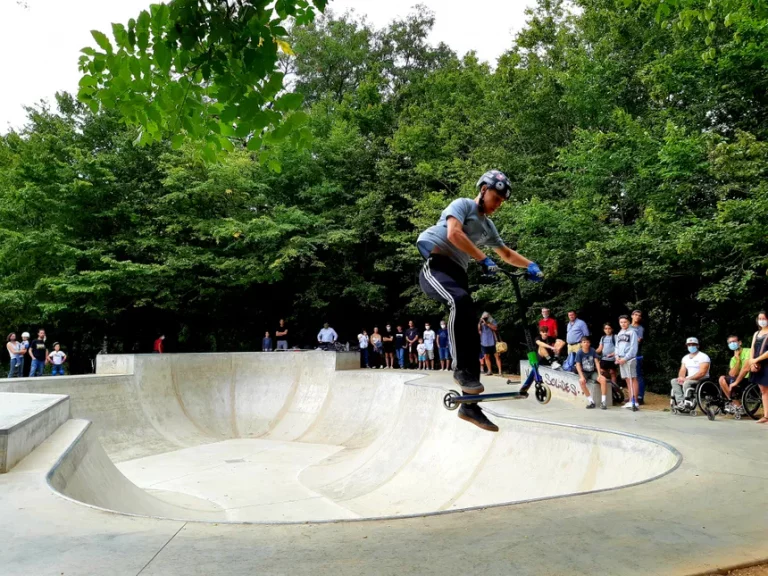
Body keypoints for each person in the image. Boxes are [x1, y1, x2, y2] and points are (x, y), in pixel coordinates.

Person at [416, 169, 542, 432]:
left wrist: (530, 265)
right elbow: (453, 234)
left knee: (469, 321)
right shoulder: (462, 205)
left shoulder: (488, 227)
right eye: (496, 198)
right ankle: (460, 367)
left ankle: (470, 403)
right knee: (460, 301)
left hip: (457, 274)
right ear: (484, 190)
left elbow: (505, 253)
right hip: (436, 266)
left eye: (501, 202)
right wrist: (483, 259)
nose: (497, 205)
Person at [670, 337, 710, 411]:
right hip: (689, 378)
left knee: (687, 383)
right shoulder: (685, 358)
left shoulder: (703, 357)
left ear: (698, 345)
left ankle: (687, 403)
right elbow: (682, 370)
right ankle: (680, 403)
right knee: (674, 381)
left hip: (701, 379)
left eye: (693, 344)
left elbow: (702, 373)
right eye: (689, 345)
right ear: (687, 346)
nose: (691, 346)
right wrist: (681, 377)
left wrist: (687, 379)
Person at [718, 335, 750, 416]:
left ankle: (737, 405)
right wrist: (738, 360)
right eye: (730, 342)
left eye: (734, 341)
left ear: (740, 342)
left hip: (749, 378)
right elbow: (732, 374)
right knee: (722, 378)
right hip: (738, 379)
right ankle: (735, 404)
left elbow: (746, 368)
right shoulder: (733, 359)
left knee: (731, 380)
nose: (732, 343)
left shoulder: (748, 351)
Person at [745, 311, 768, 423]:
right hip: (758, 364)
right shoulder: (756, 333)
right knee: (763, 390)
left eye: (764, 318)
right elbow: (752, 348)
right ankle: (766, 416)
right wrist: (752, 361)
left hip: (765, 362)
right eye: (760, 318)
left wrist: (757, 359)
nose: (761, 320)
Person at [574, 336, 608, 410]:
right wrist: (582, 376)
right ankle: (591, 401)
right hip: (584, 372)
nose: (586, 344)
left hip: (592, 371)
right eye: (584, 342)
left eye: (588, 342)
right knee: (581, 382)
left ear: (590, 343)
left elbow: (596, 362)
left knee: (603, 380)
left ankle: (603, 401)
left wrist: (599, 374)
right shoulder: (579, 352)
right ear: (581, 344)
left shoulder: (592, 350)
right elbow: (578, 365)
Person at [615, 316, 640, 411]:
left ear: (629, 322)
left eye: (625, 322)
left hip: (629, 359)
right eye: (621, 322)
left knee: (632, 378)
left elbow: (633, 348)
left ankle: (635, 401)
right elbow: (617, 346)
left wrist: (625, 358)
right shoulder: (620, 333)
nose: (623, 324)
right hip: (620, 359)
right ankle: (630, 400)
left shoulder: (632, 332)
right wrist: (617, 356)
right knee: (627, 379)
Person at [631, 310, 646, 405]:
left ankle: (640, 396)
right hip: (627, 355)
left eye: (639, 316)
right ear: (632, 316)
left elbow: (638, 340)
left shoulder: (640, 328)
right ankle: (632, 396)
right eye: (635, 315)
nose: (637, 317)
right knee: (630, 376)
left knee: (638, 375)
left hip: (636, 354)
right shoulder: (627, 326)